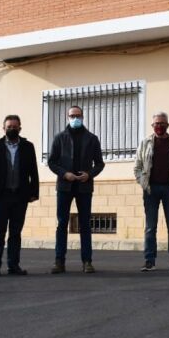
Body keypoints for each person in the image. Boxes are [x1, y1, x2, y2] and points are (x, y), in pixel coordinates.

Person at [47, 105, 105, 274]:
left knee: (85, 224)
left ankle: (87, 262)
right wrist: (65, 174)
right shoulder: (59, 138)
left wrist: (89, 174)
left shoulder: (92, 139)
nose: (75, 118)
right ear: (68, 117)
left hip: (84, 187)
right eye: (72, 116)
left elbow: (100, 163)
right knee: (62, 224)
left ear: (83, 117)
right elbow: (52, 162)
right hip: (64, 187)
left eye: (78, 115)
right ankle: (59, 261)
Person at [0, 115, 39, 277]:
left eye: (15, 126)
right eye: (9, 127)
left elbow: (33, 171)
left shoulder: (28, 147)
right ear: (3, 128)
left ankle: (13, 265)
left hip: (20, 196)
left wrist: (34, 192)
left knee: (15, 232)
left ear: (20, 128)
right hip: (0, 196)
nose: (12, 129)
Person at [133, 111, 169, 272]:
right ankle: (149, 261)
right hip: (151, 190)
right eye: (156, 124)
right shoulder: (145, 143)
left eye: (162, 123)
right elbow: (137, 167)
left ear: (167, 125)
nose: (159, 126)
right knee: (150, 227)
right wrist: (144, 183)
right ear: (152, 125)